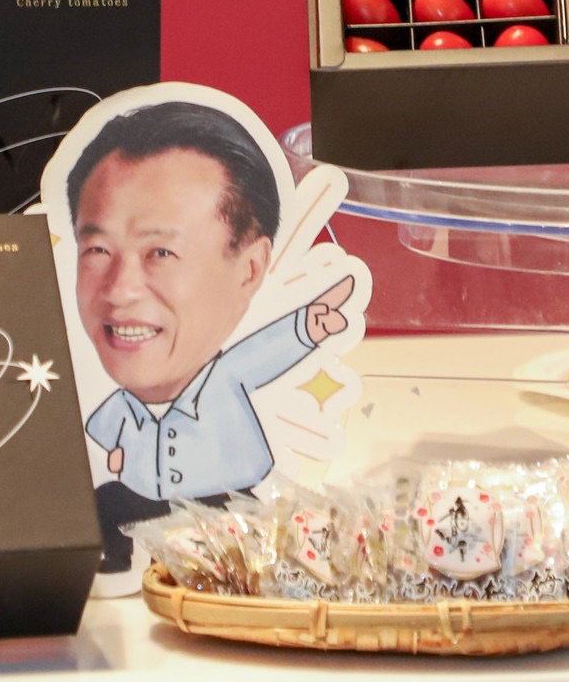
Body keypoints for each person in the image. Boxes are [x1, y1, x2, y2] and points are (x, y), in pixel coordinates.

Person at [67, 101, 354, 572]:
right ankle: (115, 559)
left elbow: (266, 352)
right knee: (107, 502)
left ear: (250, 268)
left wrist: (309, 325)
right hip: (146, 499)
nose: (119, 290)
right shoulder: (110, 400)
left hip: (222, 499)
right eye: (97, 249)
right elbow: (104, 439)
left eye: (161, 252)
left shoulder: (227, 377)